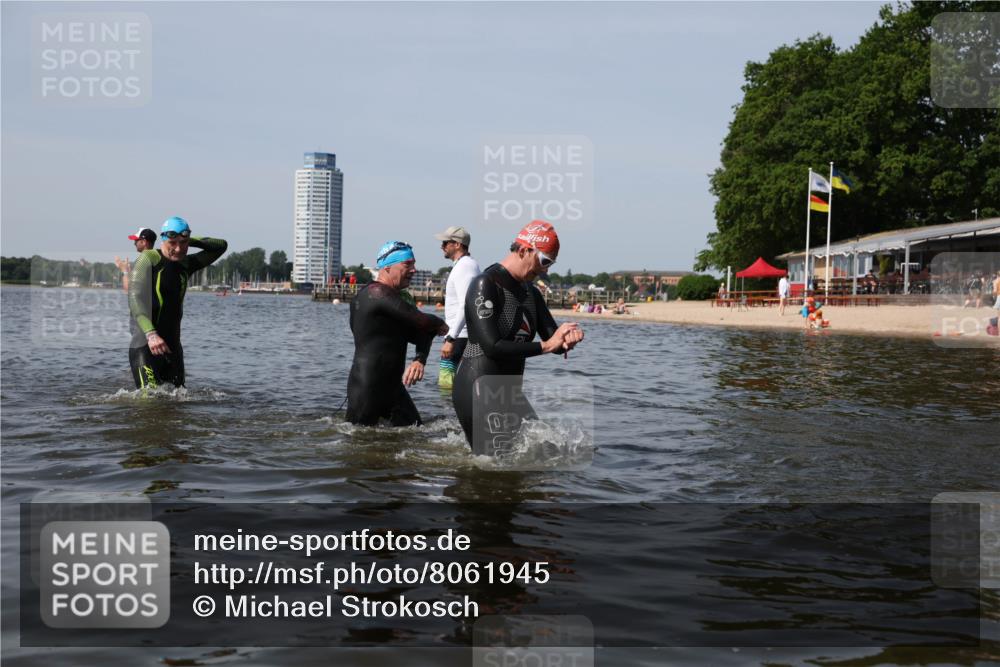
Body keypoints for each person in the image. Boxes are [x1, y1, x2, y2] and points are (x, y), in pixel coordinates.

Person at [452, 220, 584, 457]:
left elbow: (552, 339)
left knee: (544, 451)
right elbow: (491, 346)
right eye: (544, 261)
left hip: (508, 393)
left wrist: (566, 338)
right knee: (494, 472)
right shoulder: (486, 284)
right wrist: (546, 346)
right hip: (478, 388)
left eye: (550, 263)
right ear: (524, 250)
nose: (545, 270)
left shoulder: (530, 292)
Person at [346, 241, 448, 426]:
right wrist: (440, 322)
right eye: (407, 264)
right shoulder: (376, 293)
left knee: (417, 434)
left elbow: (422, 332)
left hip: (393, 389)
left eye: (414, 264)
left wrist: (420, 359)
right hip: (367, 387)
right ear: (387, 267)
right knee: (360, 446)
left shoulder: (394, 300)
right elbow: (423, 321)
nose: (414, 270)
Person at [128, 217, 227, 390]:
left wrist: (189, 239)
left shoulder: (186, 263)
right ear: (163, 239)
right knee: (148, 403)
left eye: (184, 243)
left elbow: (221, 246)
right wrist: (151, 334)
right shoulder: (148, 259)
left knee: (178, 402)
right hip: (145, 343)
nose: (179, 249)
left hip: (173, 347)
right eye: (172, 243)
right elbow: (134, 299)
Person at [434, 226, 481, 390]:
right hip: (461, 335)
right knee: (457, 385)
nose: (442, 247)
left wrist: (450, 338)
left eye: (445, 243)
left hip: (460, 337)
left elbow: (465, 304)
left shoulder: (464, 267)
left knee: (447, 384)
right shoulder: (467, 265)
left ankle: (448, 416)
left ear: (457, 244)